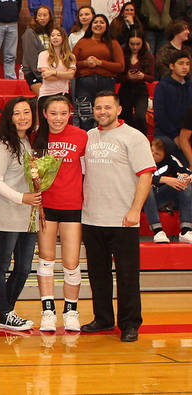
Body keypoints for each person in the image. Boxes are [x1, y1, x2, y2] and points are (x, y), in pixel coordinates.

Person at [80, 91, 156, 343]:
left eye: (107, 107)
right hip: (92, 218)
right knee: (97, 274)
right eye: (98, 107)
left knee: (126, 275)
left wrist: (135, 210)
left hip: (123, 219)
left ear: (119, 109)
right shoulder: (88, 136)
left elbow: (146, 175)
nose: (102, 112)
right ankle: (103, 318)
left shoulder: (134, 138)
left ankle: (130, 323)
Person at [33, 95, 87, 332]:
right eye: (53, 113)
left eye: (63, 113)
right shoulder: (36, 137)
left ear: (70, 114)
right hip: (47, 206)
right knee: (45, 260)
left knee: (72, 262)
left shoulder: (81, 136)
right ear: (45, 114)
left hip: (73, 206)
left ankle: (71, 310)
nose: (58, 118)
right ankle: (47, 311)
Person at [0, 97, 41, 331]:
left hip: (28, 216)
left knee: (24, 267)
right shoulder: (2, 145)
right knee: (0, 266)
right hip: (8, 214)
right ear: (9, 117)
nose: (22, 117)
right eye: (17, 113)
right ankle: (6, 312)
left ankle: (5, 312)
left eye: (26, 112)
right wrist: (23, 198)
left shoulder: (29, 142)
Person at [73, 14, 124, 130]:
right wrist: (86, 63)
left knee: (105, 117)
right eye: (95, 22)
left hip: (106, 83)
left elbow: (120, 67)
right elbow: (71, 64)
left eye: (102, 22)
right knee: (85, 118)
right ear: (91, 25)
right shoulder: (82, 42)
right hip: (84, 84)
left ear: (107, 26)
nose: (98, 25)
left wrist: (100, 63)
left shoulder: (113, 43)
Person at [145, 139, 192, 243]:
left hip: (157, 198)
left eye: (157, 153)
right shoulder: (142, 156)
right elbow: (138, 178)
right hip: (138, 200)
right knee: (146, 187)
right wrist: (166, 179)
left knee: (184, 184)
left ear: (165, 155)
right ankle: (157, 231)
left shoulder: (170, 159)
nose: (152, 154)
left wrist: (187, 178)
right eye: (151, 150)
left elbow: (186, 172)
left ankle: (186, 230)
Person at [119, 31, 155, 133]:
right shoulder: (123, 55)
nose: (135, 47)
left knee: (140, 116)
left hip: (140, 89)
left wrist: (143, 76)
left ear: (143, 43)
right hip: (125, 88)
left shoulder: (148, 56)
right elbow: (117, 77)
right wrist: (127, 77)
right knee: (125, 116)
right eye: (132, 44)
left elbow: (152, 78)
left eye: (138, 44)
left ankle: (143, 139)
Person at [154, 52, 192, 145]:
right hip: (165, 134)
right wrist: (175, 135)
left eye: (187, 64)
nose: (185, 67)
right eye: (181, 63)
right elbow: (160, 115)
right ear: (172, 66)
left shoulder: (190, 86)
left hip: (187, 134)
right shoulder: (162, 86)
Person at [21, 6, 55, 94]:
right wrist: (41, 75)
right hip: (34, 72)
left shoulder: (52, 32)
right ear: (35, 17)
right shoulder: (30, 33)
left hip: (50, 72)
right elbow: (31, 57)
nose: (42, 18)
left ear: (50, 17)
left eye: (45, 15)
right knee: (45, 98)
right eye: (39, 15)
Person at [38, 27, 77, 100]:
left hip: (63, 93)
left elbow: (71, 75)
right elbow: (47, 77)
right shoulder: (43, 54)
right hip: (46, 94)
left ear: (64, 38)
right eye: (52, 35)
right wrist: (65, 75)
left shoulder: (70, 56)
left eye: (58, 35)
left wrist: (53, 72)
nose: (55, 38)